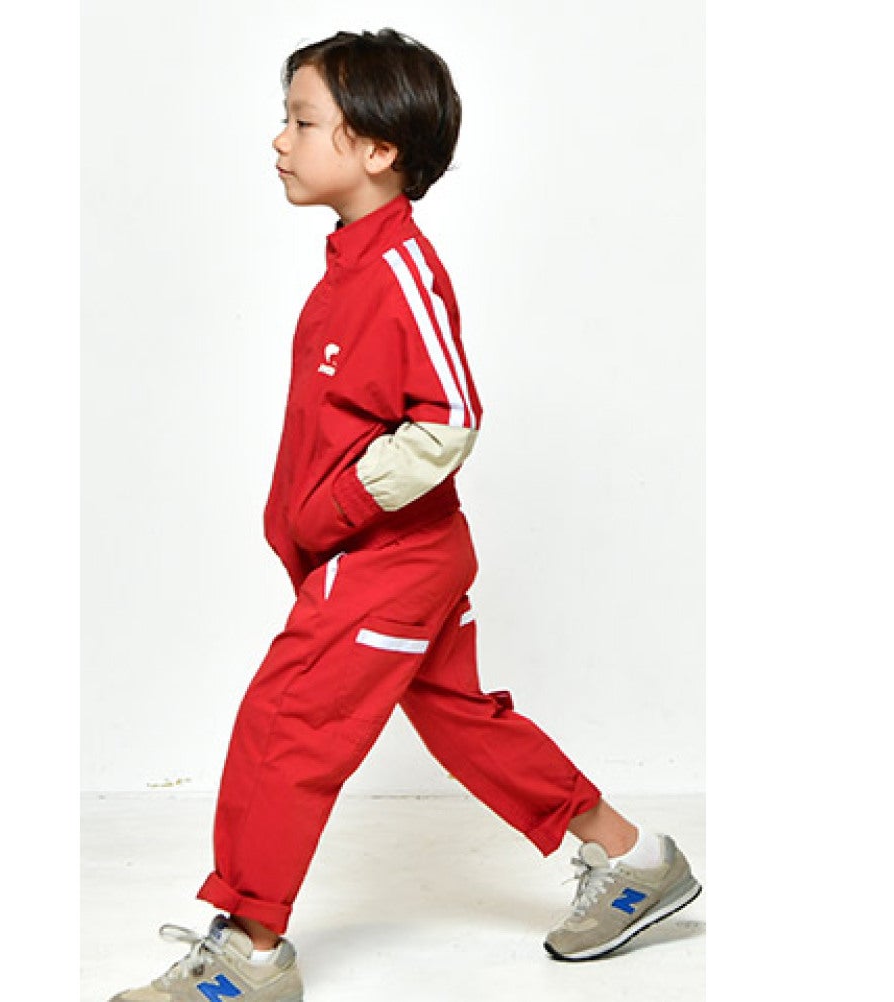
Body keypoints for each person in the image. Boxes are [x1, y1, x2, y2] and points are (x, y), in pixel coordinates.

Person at [109, 28, 701, 1002]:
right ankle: (637, 863)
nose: (280, 140)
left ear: (379, 149)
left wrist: (336, 512)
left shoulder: (400, 272)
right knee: (462, 719)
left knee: (285, 724)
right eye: (285, 119)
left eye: (303, 122)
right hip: (375, 557)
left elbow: (451, 415)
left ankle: (249, 955)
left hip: (387, 559)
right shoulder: (349, 266)